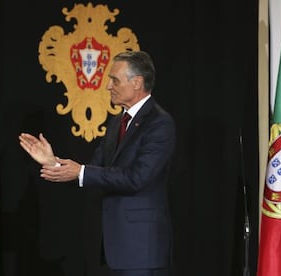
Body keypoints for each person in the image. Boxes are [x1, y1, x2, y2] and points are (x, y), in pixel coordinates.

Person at [19, 50, 176, 276]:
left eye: (115, 80)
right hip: (117, 248)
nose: (108, 86)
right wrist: (54, 163)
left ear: (137, 82)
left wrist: (81, 172)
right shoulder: (117, 122)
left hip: (143, 248)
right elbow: (94, 169)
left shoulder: (160, 124)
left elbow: (137, 178)